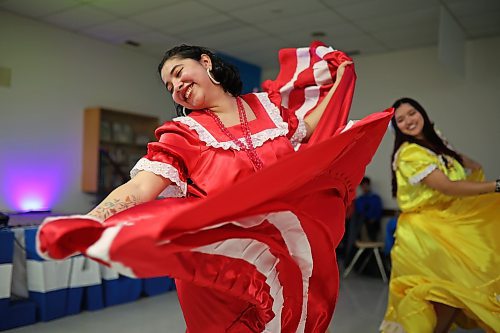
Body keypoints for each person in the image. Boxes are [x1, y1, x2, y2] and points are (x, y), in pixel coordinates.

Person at [36, 42, 392, 332]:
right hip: (223, 268)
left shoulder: (268, 109)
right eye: (169, 86)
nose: (176, 87)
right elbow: (141, 187)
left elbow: (311, 128)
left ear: (205, 62)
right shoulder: (183, 133)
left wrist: (343, 79)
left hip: (280, 252)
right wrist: (94, 220)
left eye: (178, 73)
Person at [380, 97, 500, 333]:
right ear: (397, 129)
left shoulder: (434, 150)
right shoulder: (409, 153)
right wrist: (495, 186)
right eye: (400, 120)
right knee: (446, 291)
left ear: (422, 113)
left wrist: (444, 146)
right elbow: (447, 187)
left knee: (451, 294)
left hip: (446, 224)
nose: (409, 121)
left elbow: (472, 167)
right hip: (425, 233)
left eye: (412, 113)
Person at [354, 176, 382, 241]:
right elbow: (360, 211)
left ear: (369, 185)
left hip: (374, 222)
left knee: (370, 225)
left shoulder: (375, 198)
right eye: (363, 186)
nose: (364, 188)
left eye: (366, 185)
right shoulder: (360, 199)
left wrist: (373, 218)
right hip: (363, 222)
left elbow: (378, 212)